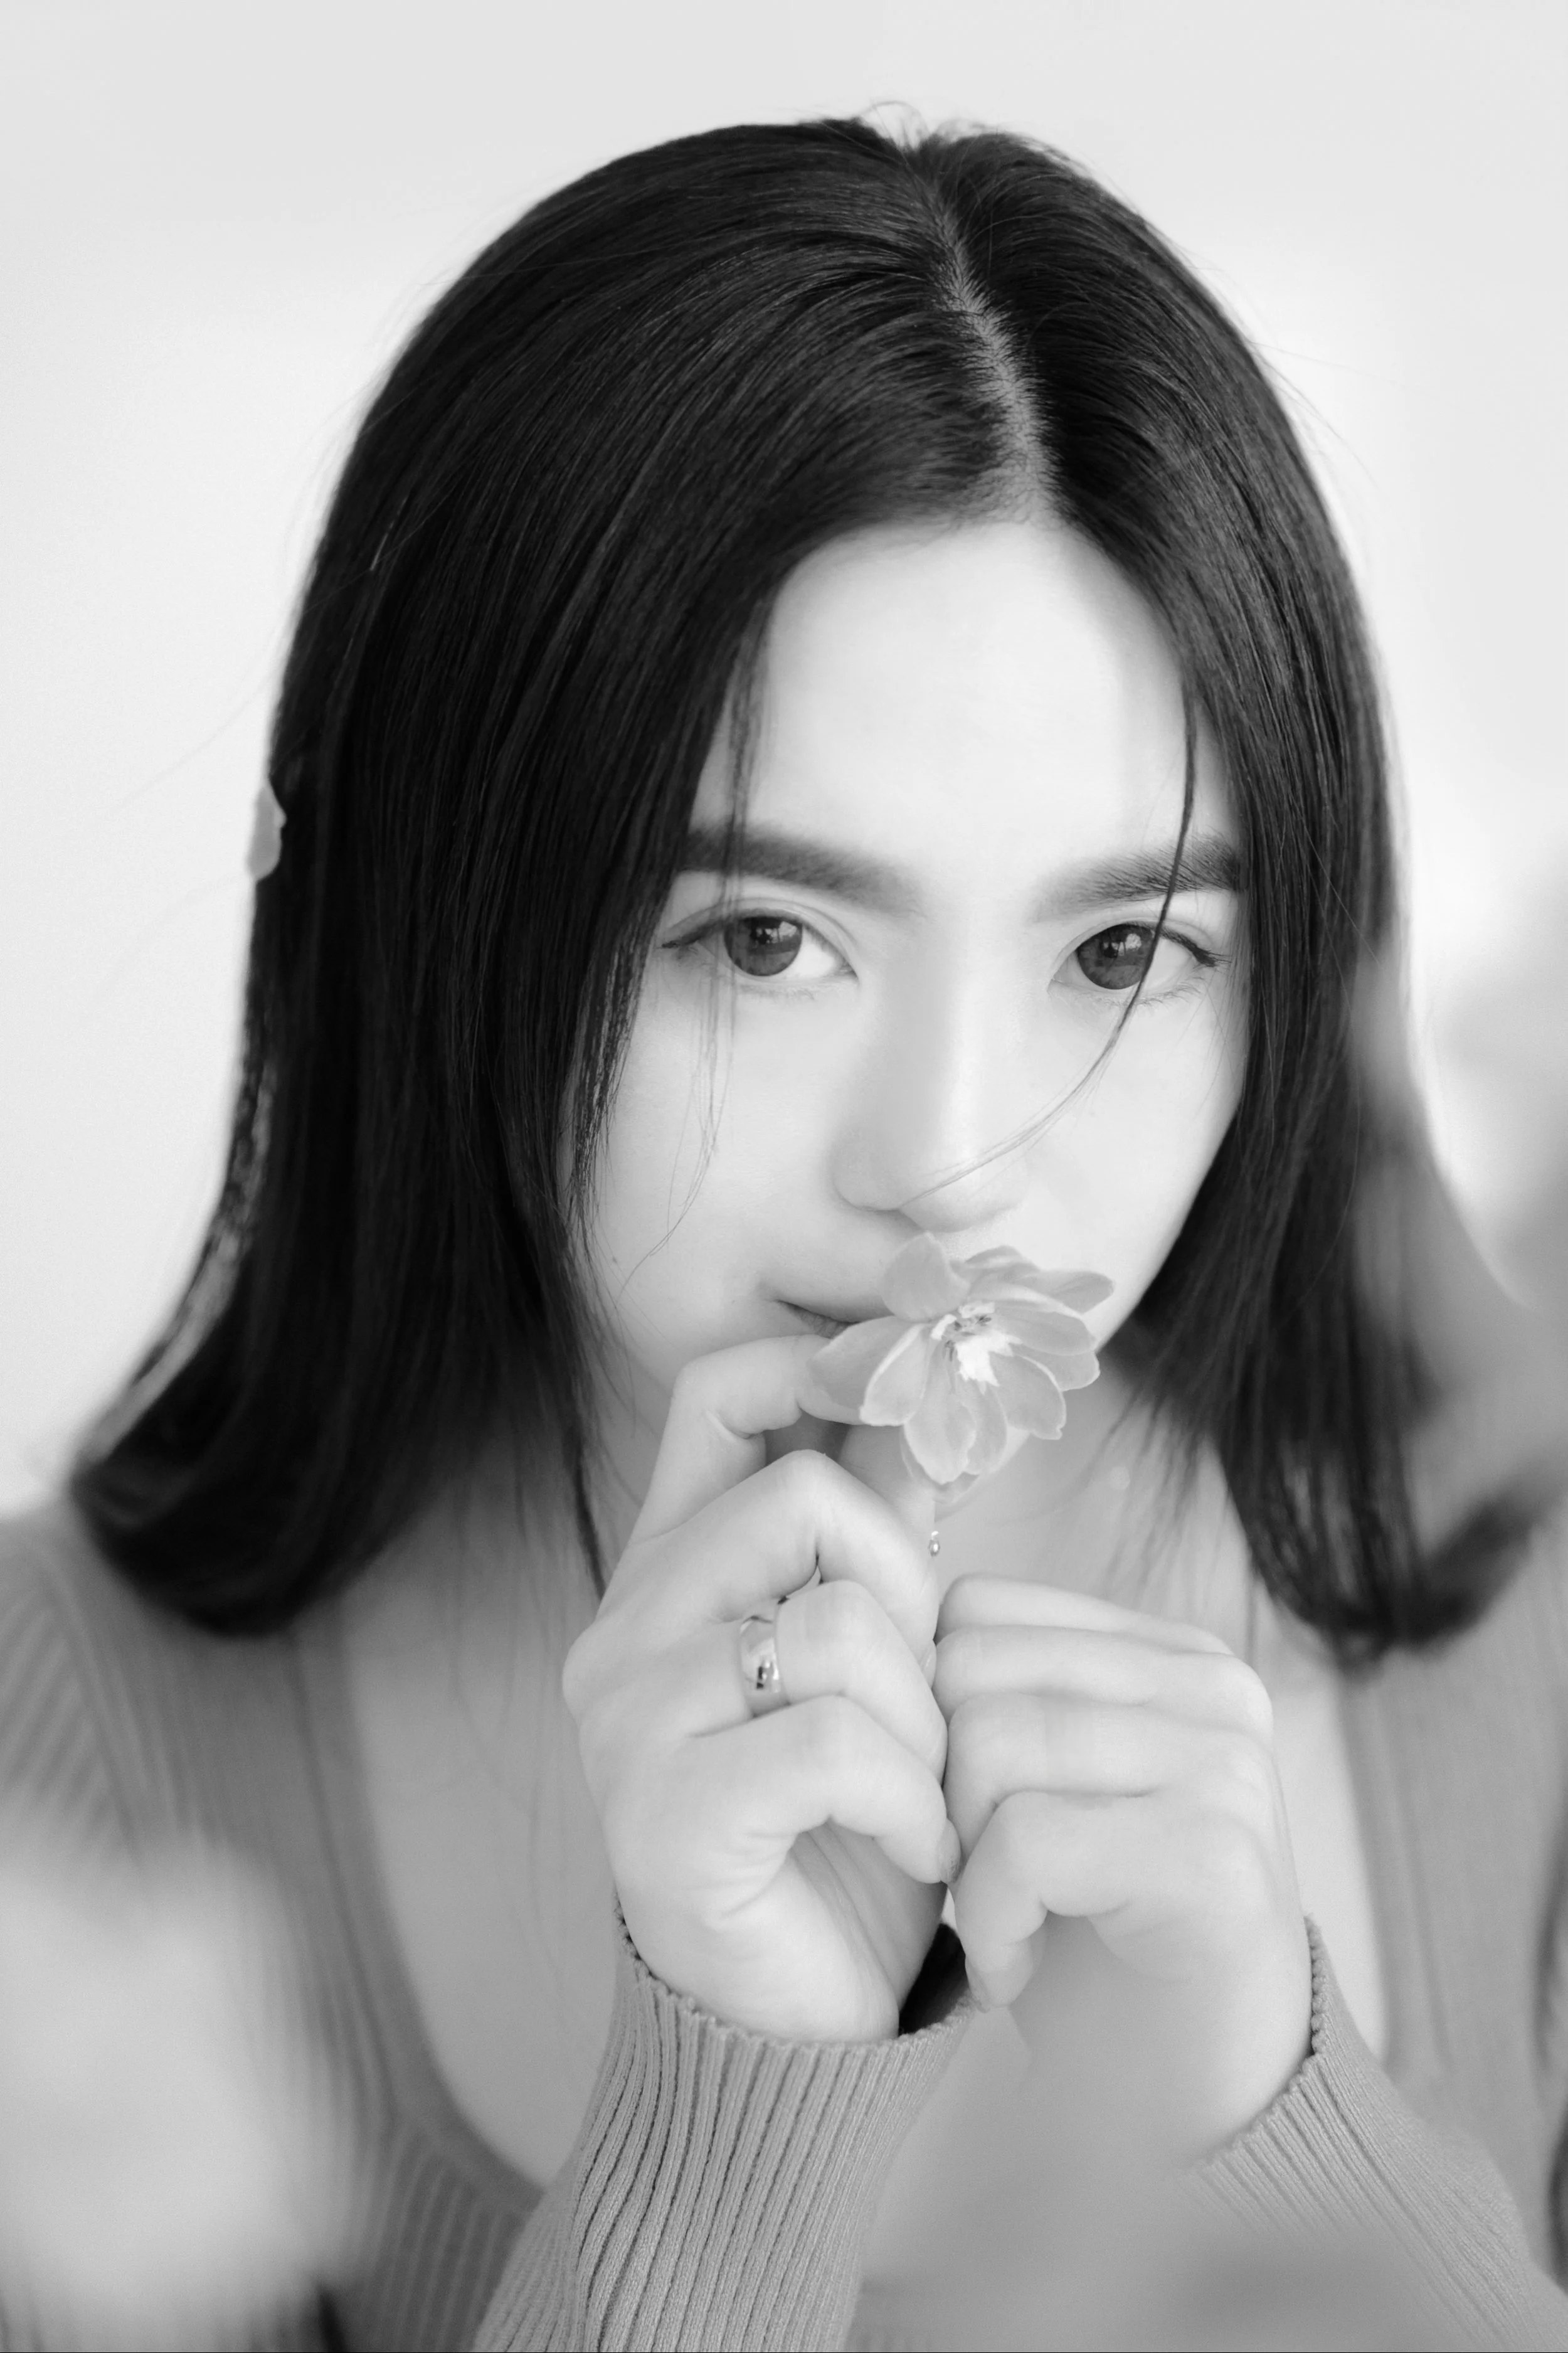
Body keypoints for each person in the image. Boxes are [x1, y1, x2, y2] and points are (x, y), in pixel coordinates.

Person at [1, 115, 1565, 2351]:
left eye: (1122, 951)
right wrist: (725, 2116)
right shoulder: (62, 1753)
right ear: (430, 913)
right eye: (762, 939)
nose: (950, 1158)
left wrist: (1263, 2116)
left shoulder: (1530, 1613)